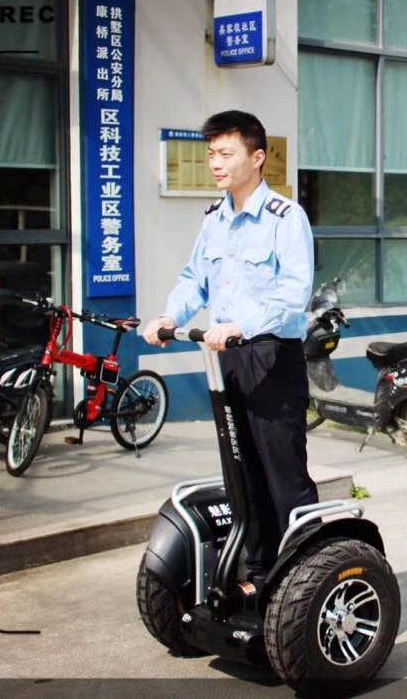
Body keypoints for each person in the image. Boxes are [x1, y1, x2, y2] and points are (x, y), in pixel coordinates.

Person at [142, 110, 317, 583]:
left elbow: (294, 291)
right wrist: (171, 317)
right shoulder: (214, 219)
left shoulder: (286, 217)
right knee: (241, 471)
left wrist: (243, 324)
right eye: (211, 154)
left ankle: (306, 576)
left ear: (257, 158)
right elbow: (193, 279)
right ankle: (259, 571)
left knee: (282, 472)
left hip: (270, 355)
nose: (215, 163)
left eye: (226, 153)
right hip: (226, 358)